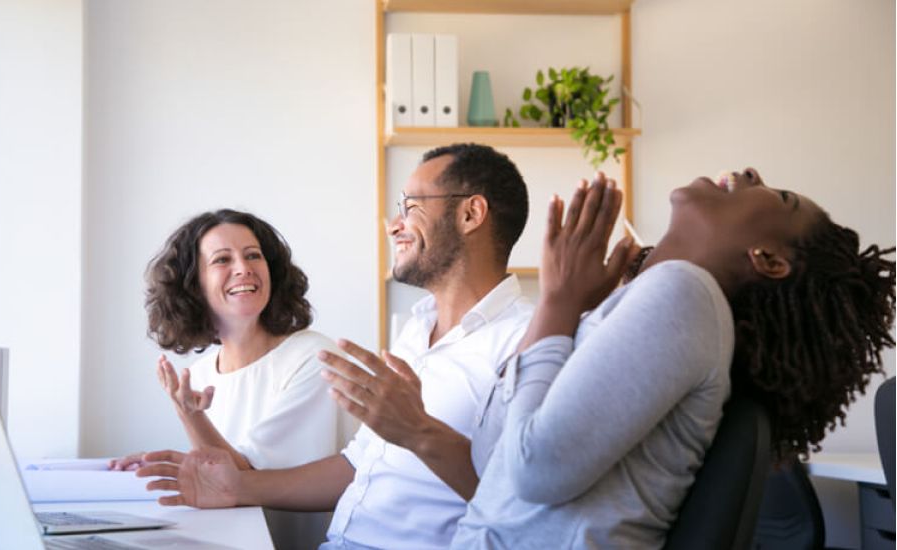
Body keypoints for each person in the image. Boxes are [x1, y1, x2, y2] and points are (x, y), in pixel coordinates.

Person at [446, 168, 895, 548]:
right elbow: (491, 459)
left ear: (769, 259)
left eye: (781, 197)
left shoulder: (685, 293)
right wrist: (568, 308)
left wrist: (557, 303)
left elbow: (534, 470)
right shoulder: (648, 306)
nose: (750, 173)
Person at [136, 143, 536, 549]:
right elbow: (356, 465)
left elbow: (525, 503)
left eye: (411, 207)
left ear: (470, 214)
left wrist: (418, 431)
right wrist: (236, 488)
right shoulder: (417, 330)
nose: (394, 226)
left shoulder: (526, 343)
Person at [110, 209, 358, 548]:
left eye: (253, 255)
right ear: (194, 286)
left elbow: (242, 480)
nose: (243, 268)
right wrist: (158, 465)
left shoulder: (314, 358)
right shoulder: (201, 374)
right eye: (222, 259)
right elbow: (216, 477)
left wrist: (190, 416)